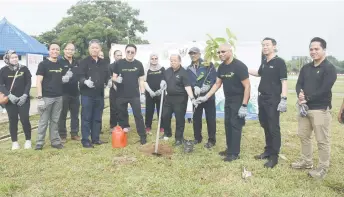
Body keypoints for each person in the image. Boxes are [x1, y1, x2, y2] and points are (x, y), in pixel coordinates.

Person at [196, 43, 250, 162]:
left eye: (223, 52)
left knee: (235, 126)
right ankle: (229, 149)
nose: (220, 54)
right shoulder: (221, 67)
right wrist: (206, 97)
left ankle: (234, 153)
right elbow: (217, 84)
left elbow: (247, 86)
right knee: (228, 125)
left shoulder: (239, 66)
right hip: (228, 100)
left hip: (238, 100)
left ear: (230, 51)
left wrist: (244, 105)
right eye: (219, 52)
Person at [292, 37, 337, 179]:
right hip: (304, 109)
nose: (313, 52)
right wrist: (300, 94)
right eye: (311, 49)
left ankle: (323, 168)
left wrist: (308, 98)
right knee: (304, 136)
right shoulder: (306, 68)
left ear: (324, 50)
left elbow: (324, 89)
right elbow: (299, 83)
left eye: (316, 49)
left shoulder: (329, 68)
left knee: (322, 140)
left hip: (320, 110)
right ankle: (306, 161)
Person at [248, 37, 288, 168]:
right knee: (265, 125)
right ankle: (268, 150)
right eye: (263, 45)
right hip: (262, 98)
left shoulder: (279, 62)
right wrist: (245, 69)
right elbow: (259, 73)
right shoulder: (264, 61)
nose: (265, 47)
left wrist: (284, 99)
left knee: (273, 127)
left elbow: (284, 81)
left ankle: (274, 157)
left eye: (267, 45)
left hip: (273, 99)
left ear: (274, 46)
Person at [78, 39, 110, 148]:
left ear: (100, 49)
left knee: (97, 117)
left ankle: (96, 138)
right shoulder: (84, 62)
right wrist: (85, 81)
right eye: (92, 48)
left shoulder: (104, 63)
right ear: (89, 49)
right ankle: (86, 140)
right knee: (86, 117)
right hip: (87, 95)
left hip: (99, 95)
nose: (95, 49)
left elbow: (107, 77)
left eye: (97, 48)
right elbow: (80, 76)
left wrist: (108, 82)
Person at [112, 44, 147, 144]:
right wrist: (116, 79)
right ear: (125, 52)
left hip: (134, 95)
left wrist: (143, 94)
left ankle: (143, 136)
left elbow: (141, 80)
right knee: (121, 115)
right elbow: (113, 77)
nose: (130, 53)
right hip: (121, 94)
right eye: (128, 51)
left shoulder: (139, 64)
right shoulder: (119, 63)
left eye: (132, 52)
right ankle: (122, 134)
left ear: (135, 53)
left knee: (138, 116)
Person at [159, 54, 197, 146]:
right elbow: (164, 79)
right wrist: (162, 82)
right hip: (169, 98)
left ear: (180, 61)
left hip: (180, 99)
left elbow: (187, 86)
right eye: (171, 60)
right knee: (165, 116)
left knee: (179, 119)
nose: (173, 62)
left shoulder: (184, 73)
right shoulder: (167, 71)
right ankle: (167, 133)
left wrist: (192, 98)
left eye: (175, 60)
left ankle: (179, 138)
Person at [35, 43, 66, 150]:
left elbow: (61, 79)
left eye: (57, 49)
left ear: (59, 51)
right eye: (53, 49)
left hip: (59, 97)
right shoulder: (43, 64)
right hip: (46, 97)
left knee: (55, 121)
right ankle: (39, 143)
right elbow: (38, 82)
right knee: (43, 121)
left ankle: (55, 141)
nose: (55, 51)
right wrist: (40, 98)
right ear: (49, 51)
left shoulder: (60, 64)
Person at [0, 50, 32, 150]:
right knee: (13, 121)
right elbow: (1, 85)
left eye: (16, 57)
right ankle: (15, 142)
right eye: (12, 57)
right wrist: (9, 96)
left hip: (24, 99)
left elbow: (28, 83)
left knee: (25, 119)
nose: (15, 59)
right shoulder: (3, 70)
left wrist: (25, 95)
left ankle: (28, 140)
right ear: (8, 59)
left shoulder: (24, 69)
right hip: (10, 101)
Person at [187, 47, 217, 149]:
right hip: (196, 98)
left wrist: (205, 88)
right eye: (191, 53)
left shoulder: (208, 64)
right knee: (196, 118)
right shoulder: (189, 68)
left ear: (199, 54)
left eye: (194, 53)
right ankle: (197, 138)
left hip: (208, 97)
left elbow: (212, 78)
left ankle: (212, 140)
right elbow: (188, 82)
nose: (192, 55)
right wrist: (193, 87)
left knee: (210, 118)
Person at [58, 43, 80, 143]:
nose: (69, 51)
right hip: (63, 92)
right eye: (68, 49)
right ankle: (62, 135)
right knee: (62, 115)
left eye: (72, 50)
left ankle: (74, 133)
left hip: (75, 92)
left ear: (74, 51)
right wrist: (62, 79)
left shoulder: (77, 62)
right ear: (64, 50)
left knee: (75, 114)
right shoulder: (59, 61)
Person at [108, 50, 130, 133]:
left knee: (123, 108)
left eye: (121, 55)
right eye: (118, 55)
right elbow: (110, 77)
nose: (119, 57)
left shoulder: (125, 65)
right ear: (114, 56)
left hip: (123, 90)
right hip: (114, 90)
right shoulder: (110, 66)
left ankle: (125, 125)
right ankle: (113, 125)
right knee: (113, 108)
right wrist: (114, 85)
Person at [144, 53, 165, 134]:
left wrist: (161, 90)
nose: (154, 60)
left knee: (161, 110)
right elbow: (144, 81)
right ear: (150, 59)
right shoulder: (146, 69)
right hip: (150, 94)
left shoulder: (162, 69)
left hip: (160, 93)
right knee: (149, 110)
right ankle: (148, 126)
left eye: (156, 58)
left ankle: (162, 126)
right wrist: (150, 91)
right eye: (152, 58)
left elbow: (164, 80)